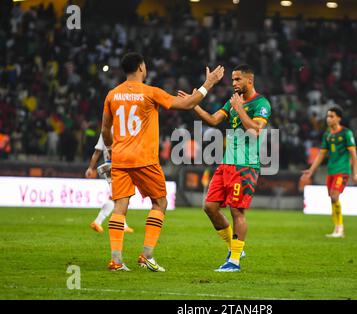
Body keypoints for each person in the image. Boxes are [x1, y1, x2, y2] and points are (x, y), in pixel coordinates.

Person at [101, 52, 224, 271]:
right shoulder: (150, 92)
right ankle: (146, 256)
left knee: (120, 206)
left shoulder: (112, 94)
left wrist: (111, 149)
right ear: (140, 68)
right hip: (144, 159)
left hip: (120, 158)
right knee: (160, 203)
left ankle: (116, 261)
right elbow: (188, 104)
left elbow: (105, 130)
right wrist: (209, 83)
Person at [188, 64, 272, 272]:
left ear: (249, 80)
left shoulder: (261, 104)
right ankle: (235, 248)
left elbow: (256, 131)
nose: (233, 83)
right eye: (232, 80)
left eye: (237, 80)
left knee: (237, 211)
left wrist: (240, 109)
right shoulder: (232, 102)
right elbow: (213, 120)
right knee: (210, 207)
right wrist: (194, 105)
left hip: (245, 165)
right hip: (226, 163)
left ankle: (234, 261)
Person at [301, 106, 357, 238]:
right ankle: (337, 228)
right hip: (331, 171)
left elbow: (354, 155)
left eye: (332, 116)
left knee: (334, 196)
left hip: (343, 170)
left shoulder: (346, 133)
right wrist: (311, 170)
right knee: (332, 199)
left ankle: (340, 228)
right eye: (328, 116)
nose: (328, 119)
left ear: (339, 118)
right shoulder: (327, 135)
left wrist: (355, 173)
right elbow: (321, 155)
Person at [85, 133, 134, 234]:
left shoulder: (106, 130)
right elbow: (98, 151)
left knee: (123, 197)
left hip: (116, 166)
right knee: (117, 197)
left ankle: (123, 224)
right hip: (115, 167)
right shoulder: (115, 129)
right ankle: (97, 221)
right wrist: (90, 168)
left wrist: (90, 167)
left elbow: (97, 151)